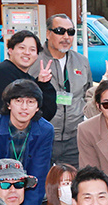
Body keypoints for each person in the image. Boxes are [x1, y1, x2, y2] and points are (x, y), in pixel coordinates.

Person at [39, 13, 93, 167]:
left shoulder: (81, 61)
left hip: (74, 140)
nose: (66, 36)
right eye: (60, 31)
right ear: (48, 33)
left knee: (74, 186)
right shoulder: (35, 60)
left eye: (70, 32)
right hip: (44, 137)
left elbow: (87, 94)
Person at [0, 29, 57, 127]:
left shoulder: (28, 78)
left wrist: (43, 84)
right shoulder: (3, 71)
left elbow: (46, 113)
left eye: (32, 50)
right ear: (10, 51)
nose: (27, 52)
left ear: (37, 55)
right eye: (22, 48)